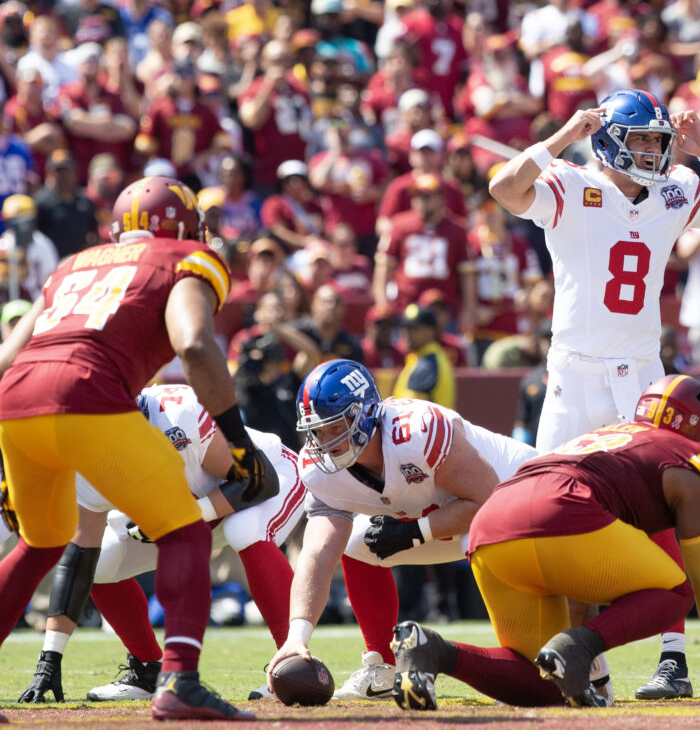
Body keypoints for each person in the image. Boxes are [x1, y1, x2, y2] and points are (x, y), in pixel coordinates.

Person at [488, 88, 700, 692]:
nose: (652, 150)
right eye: (640, 138)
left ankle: (674, 660)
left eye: (657, 140)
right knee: (559, 517)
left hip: (643, 374)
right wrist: (562, 135)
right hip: (572, 373)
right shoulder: (568, 183)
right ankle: (591, 668)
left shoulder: (676, 190)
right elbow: (504, 190)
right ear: (607, 140)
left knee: (672, 512)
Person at [0, 176, 272, 721]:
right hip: (88, 393)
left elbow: (10, 353)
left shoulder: (74, 263)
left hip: (16, 402)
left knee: (39, 542)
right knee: (185, 528)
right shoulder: (188, 257)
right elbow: (194, 343)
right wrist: (236, 437)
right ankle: (179, 679)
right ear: (188, 227)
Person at [391, 375, 700, 709]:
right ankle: (577, 647)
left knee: (543, 685)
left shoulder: (602, 439)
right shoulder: (689, 457)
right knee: (677, 591)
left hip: (491, 523)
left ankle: (433, 651)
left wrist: (586, 661)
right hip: (560, 513)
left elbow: (584, 566)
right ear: (699, 419)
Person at [265, 359, 538, 703]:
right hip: (448, 515)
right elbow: (318, 553)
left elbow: (488, 500)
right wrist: (297, 636)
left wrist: (415, 531)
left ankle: (518, 666)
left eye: (337, 426)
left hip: (521, 498)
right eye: (318, 430)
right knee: (354, 542)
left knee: (483, 537)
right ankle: (382, 665)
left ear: (364, 414)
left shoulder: (416, 432)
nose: (327, 440)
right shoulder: (320, 469)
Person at [16, 383, 304, 703]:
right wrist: (49, 659)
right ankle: (148, 670)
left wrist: (182, 516)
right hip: (188, 513)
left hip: (266, 481)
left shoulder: (179, 412)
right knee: (99, 561)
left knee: (242, 530)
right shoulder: (87, 451)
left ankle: (293, 661)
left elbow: (258, 480)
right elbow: (80, 555)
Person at [392, 303, 456, 409]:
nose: (406, 333)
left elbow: (408, 412)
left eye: (413, 328)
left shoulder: (427, 364)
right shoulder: (428, 357)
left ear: (430, 331)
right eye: (404, 327)